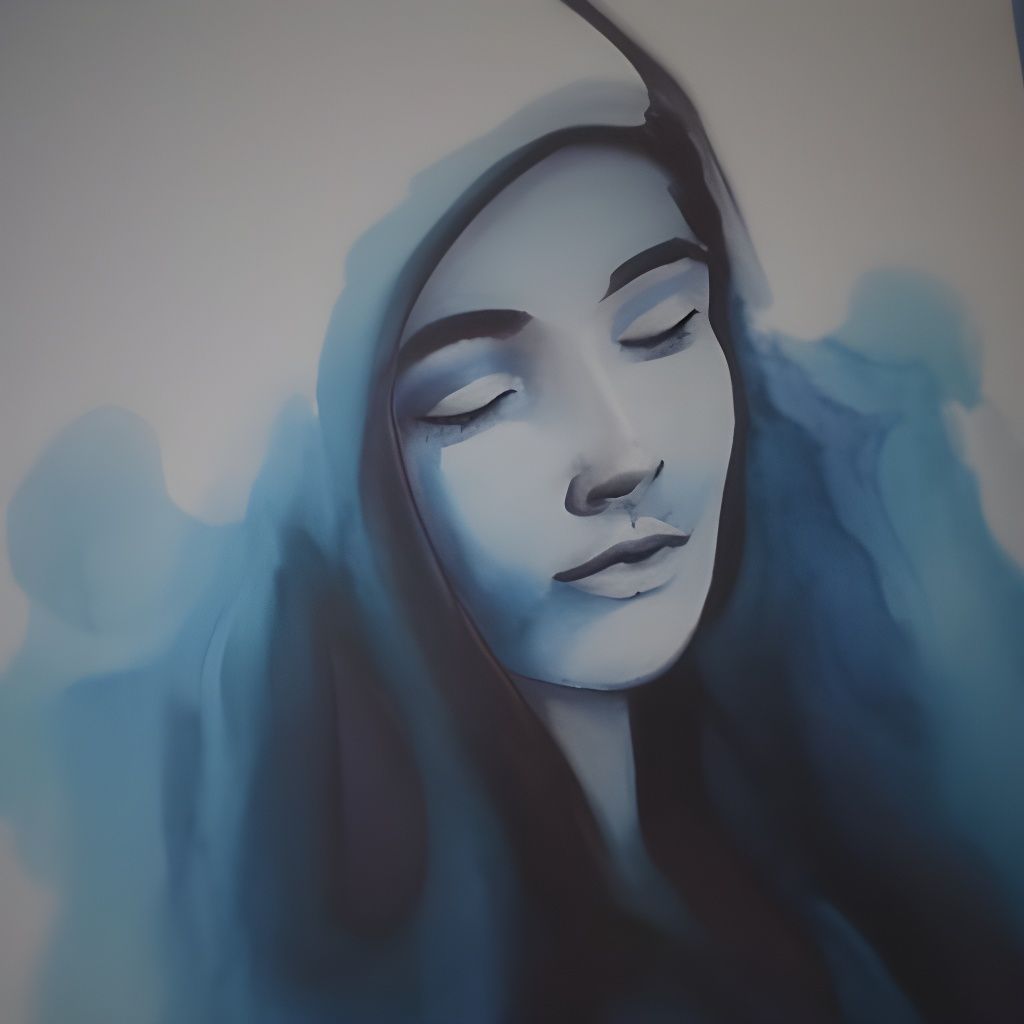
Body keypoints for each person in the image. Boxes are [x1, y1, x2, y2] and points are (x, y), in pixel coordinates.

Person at [3, 2, 1022, 1022]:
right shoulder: (372, 974)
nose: (623, 456)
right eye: (474, 398)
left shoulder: (826, 834)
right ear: (354, 485)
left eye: (664, 324)